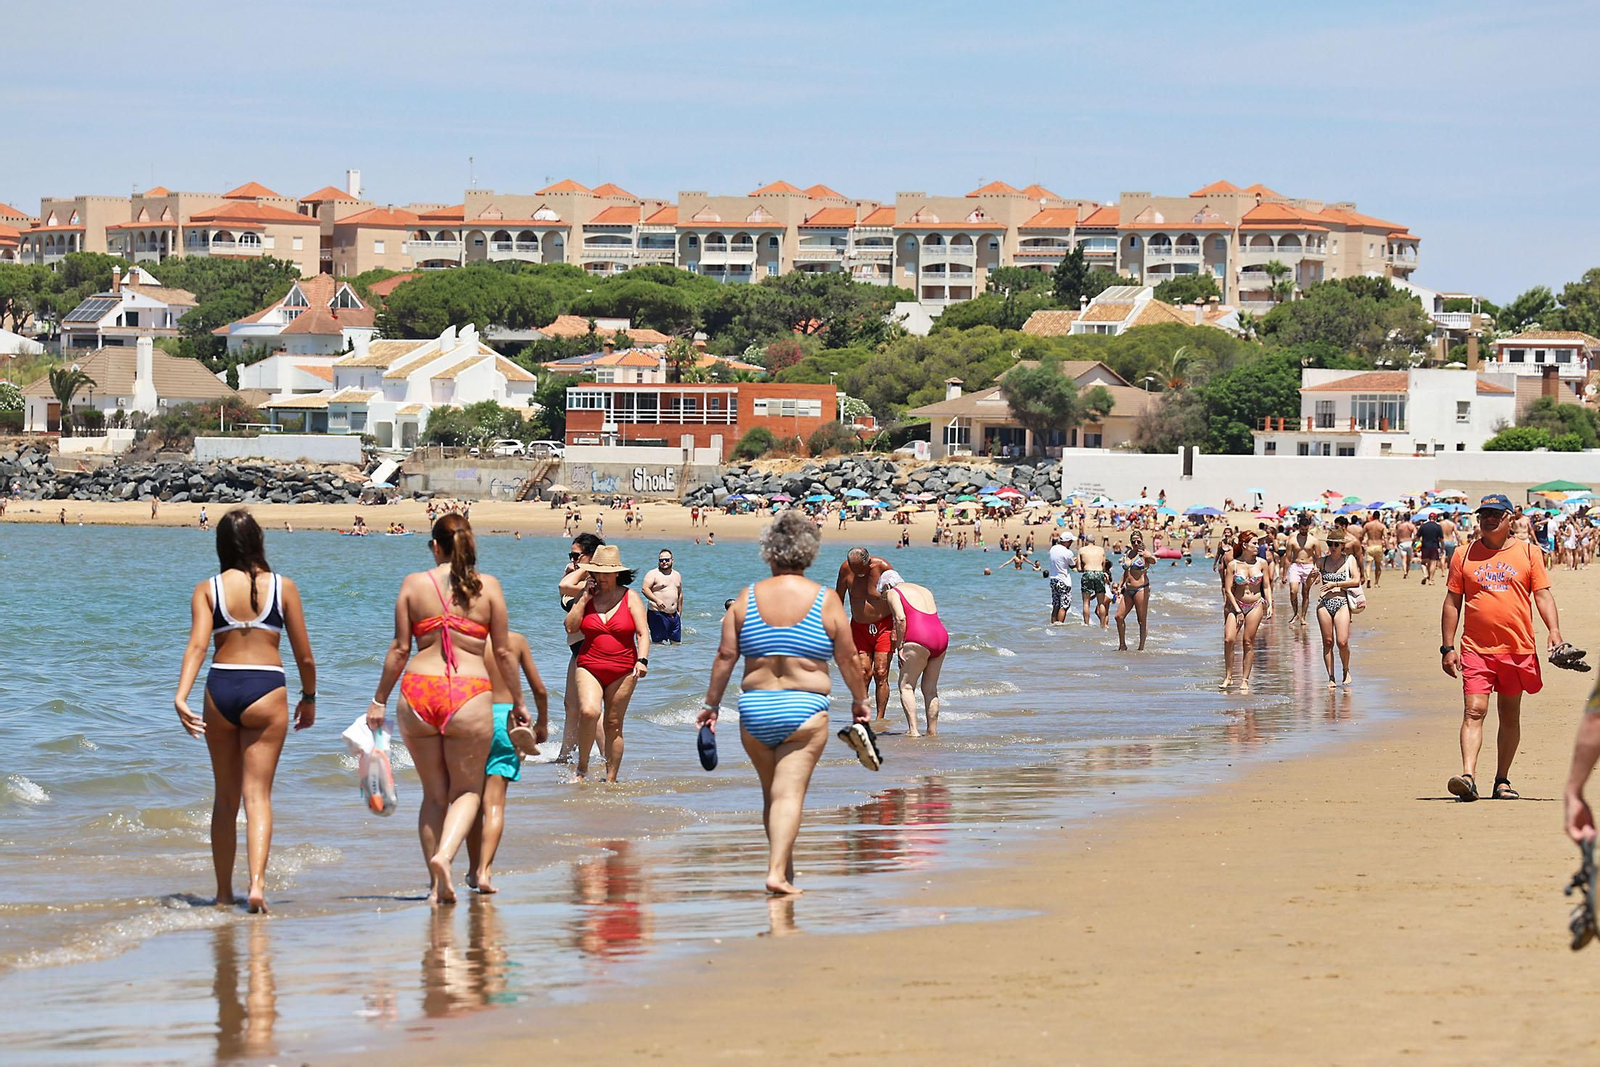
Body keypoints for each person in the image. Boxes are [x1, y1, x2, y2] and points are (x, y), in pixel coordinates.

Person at [697, 511, 869, 894]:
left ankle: (784, 871)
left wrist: (710, 706)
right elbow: (848, 657)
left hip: (755, 710)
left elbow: (725, 657)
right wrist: (860, 700)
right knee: (789, 794)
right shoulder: (825, 600)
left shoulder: (746, 598)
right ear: (809, 553)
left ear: (769, 552)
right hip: (803, 710)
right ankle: (776, 872)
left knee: (772, 794)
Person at [367, 514, 525, 904]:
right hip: (469, 694)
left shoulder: (413, 585)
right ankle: (445, 856)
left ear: (436, 546)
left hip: (418, 692)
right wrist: (519, 702)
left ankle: (437, 888)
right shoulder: (488, 588)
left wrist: (378, 699)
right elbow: (503, 652)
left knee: (433, 795)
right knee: (468, 791)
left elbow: (400, 649)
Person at [174, 508, 316, 913]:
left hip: (220, 688)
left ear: (221, 546)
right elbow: (305, 656)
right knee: (258, 797)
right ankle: (255, 886)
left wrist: (181, 695)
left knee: (225, 799)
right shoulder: (283, 588)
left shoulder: (207, 589)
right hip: (266, 690)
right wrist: (310, 698)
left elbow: (198, 647)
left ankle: (222, 893)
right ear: (259, 542)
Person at [1442, 494, 1564, 803]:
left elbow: (1543, 595)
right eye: (1484, 514)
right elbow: (1452, 602)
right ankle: (1468, 777)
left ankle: (1501, 780)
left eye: (1496, 514)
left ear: (1509, 518)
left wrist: (1555, 632)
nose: (1489, 519)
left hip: (1517, 648)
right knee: (1474, 710)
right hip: (1475, 648)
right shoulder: (1463, 554)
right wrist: (1447, 647)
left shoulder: (1529, 552)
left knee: (1509, 714)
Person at [465, 630, 549, 895]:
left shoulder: (465, 641)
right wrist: (543, 723)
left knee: (471, 801)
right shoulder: (515, 641)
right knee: (494, 805)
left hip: (470, 719)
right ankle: (484, 872)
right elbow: (540, 690)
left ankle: (471, 869)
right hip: (505, 720)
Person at [566, 545, 650, 782]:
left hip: (623, 669)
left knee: (613, 723)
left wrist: (642, 660)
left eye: (605, 573)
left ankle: (610, 779)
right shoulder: (586, 594)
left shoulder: (630, 597)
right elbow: (570, 626)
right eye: (596, 572)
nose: (600, 578)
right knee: (589, 711)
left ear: (616, 574)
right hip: (589, 664)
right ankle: (582, 768)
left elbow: (643, 633)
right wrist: (583, 599)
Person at [880, 570, 948, 738]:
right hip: (940, 636)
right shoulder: (924, 589)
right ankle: (932, 731)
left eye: (882, 592)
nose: (884, 596)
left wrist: (900, 645)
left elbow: (901, 618)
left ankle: (913, 730)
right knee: (930, 689)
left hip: (918, 637)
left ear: (887, 585)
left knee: (906, 685)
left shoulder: (892, 592)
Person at [557, 534, 605, 763]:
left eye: (576, 555)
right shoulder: (580, 579)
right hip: (576, 650)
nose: (572, 559)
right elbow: (564, 593)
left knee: (591, 709)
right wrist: (577, 567)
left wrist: (585, 568)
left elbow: (563, 586)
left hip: (590, 649)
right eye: (570, 555)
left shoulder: (595, 580)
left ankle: (609, 760)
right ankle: (565, 756)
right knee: (571, 705)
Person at [835, 547, 894, 721]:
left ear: (868, 561)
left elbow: (899, 596)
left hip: (884, 626)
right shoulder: (846, 569)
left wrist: (899, 630)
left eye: (861, 568)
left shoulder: (883, 567)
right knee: (863, 673)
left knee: (881, 672)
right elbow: (838, 599)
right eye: (855, 569)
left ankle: (880, 719)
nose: (858, 573)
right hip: (859, 628)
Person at [1220, 532, 1272, 692]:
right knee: (1229, 639)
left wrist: (1270, 604)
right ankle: (1228, 676)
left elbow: (1266, 586)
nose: (1258, 546)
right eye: (1254, 543)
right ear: (1244, 545)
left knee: (1248, 641)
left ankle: (1245, 679)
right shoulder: (1233, 565)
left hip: (1255, 605)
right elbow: (1228, 590)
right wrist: (1237, 610)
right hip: (1236, 605)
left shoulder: (1262, 563)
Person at [1313, 536, 1361, 688]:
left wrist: (1336, 583)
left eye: (1336, 544)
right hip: (1324, 603)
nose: (1333, 547)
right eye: (1330, 544)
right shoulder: (1322, 561)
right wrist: (1311, 576)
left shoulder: (1349, 560)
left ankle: (1346, 669)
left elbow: (1356, 580)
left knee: (1342, 641)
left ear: (1342, 545)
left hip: (1342, 602)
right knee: (1328, 642)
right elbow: (1308, 585)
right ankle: (1331, 676)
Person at [1115, 534, 1157, 651]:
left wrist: (1149, 556)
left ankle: (1141, 648)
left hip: (1141, 589)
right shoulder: (1128, 554)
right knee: (1119, 616)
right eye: (1134, 542)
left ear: (1142, 541)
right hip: (1128, 590)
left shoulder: (1144, 553)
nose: (1136, 544)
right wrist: (1120, 586)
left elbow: (1154, 561)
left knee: (1141, 619)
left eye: (1138, 541)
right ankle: (1122, 645)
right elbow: (1126, 573)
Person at [1284, 514, 1322, 625]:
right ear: (1299, 527)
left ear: (1309, 527)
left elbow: (1318, 558)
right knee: (1293, 591)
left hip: (1309, 567)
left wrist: (1318, 573)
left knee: (1305, 593)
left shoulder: (1314, 540)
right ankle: (1295, 613)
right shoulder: (1292, 540)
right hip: (1296, 566)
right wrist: (1284, 574)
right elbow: (1287, 558)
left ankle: (1303, 617)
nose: (1304, 531)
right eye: (1302, 529)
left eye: (1306, 529)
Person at [642, 549, 684, 645]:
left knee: (676, 644)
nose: (664, 562)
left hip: (674, 615)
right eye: (661, 560)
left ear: (672, 560)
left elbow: (680, 594)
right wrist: (657, 600)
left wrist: (679, 612)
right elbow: (645, 589)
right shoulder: (653, 574)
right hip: (657, 613)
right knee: (658, 645)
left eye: (666, 559)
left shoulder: (677, 575)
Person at [1077, 534, 1111, 628]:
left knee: (1086, 602)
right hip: (1099, 573)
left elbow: (1079, 568)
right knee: (1101, 602)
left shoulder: (1082, 550)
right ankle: (1103, 625)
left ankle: (1086, 624)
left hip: (1088, 573)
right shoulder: (1101, 550)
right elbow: (1103, 566)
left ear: (1086, 542)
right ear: (1094, 541)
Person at [1046, 533, 1075, 625]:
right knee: (1064, 606)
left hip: (1053, 579)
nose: (1071, 543)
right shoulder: (1068, 552)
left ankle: (1053, 625)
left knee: (1056, 605)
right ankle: (1059, 626)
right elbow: (1072, 565)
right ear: (1067, 542)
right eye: (1070, 541)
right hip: (1063, 581)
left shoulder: (1053, 548)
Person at [1418, 512, 1445, 585]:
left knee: (1423, 562)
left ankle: (1425, 574)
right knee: (1433, 563)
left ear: (1429, 517)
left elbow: (1417, 536)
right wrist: (1442, 547)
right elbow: (1441, 539)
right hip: (1434, 546)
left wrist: (1414, 544)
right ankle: (1430, 580)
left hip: (1425, 546)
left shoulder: (1423, 526)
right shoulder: (1438, 526)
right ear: (1435, 518)